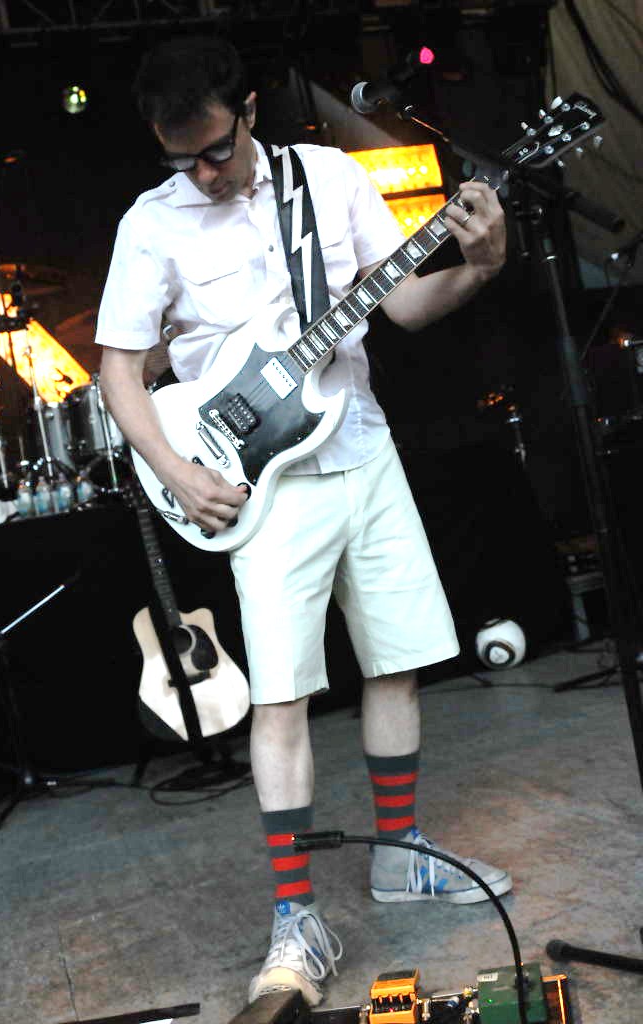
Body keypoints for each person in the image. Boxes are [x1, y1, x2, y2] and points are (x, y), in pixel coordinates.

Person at [96, 33, 512, 1008]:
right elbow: (118, 371)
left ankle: (400, 855)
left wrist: (482, 265)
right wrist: (174, 470)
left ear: (249, 112)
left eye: (215, 150)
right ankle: (294, 914)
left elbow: (406, 306)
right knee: (280, 698)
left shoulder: (329, 179)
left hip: (359, 442)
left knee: (396, 659)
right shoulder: (152, 224)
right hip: (257, 484)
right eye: (181, 159)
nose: (203, 173)